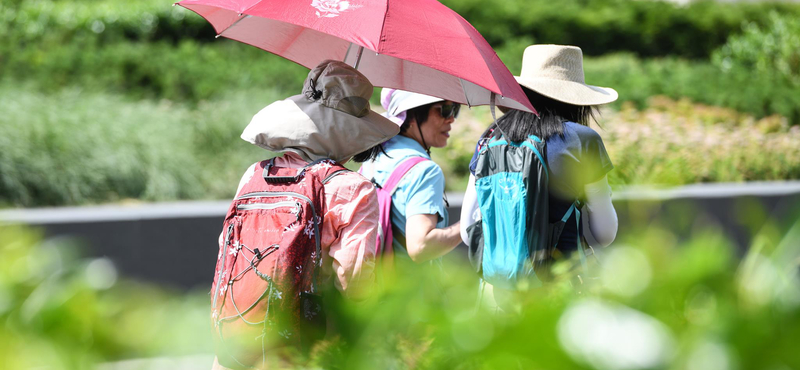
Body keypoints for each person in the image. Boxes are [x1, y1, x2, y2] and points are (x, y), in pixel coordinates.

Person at [211, 60, 400, 370]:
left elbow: (226, 248)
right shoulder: (352, 188)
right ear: (352, 133)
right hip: (305, 350)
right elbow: (354, 284)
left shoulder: (253, 175)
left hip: (235, 342)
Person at [460, 44, 618, 288]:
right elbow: (605, 234)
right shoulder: (581, 140)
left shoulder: (491, 137)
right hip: (559, 289)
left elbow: (467, 230)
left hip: (498, 292)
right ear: (577, 99)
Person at [359, 89, 462, 263]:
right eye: (445, 110)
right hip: (413, 287)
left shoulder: (374, 157)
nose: (451, 118)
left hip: (374, 284)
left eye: (455, 109)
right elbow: (420, 247)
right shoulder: (425, 171)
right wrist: (469, 225)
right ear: (412, 116)